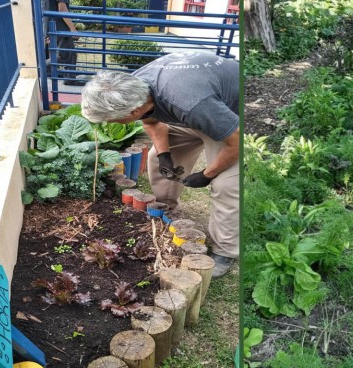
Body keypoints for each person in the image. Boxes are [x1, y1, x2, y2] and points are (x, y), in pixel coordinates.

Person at [80, 51, 239, 278]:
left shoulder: (189, 102)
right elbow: (151, 119)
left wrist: (207, 174)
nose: (111, 123)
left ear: (131, 112)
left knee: (226, 185)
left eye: (112, 119)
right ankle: (167, 210)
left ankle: (225, 250)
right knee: (156, 157)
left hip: (229, 119)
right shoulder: (134, 86)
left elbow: (236, 141)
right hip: (196, 110)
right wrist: (165, 155)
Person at [47, 0, 82, 86]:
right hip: (60, 28)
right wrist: (73, 29)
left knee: (71, 54)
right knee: (63, 56)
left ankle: (70, 77)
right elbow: (62, 9)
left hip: (53, 26)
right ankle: (39, 69)